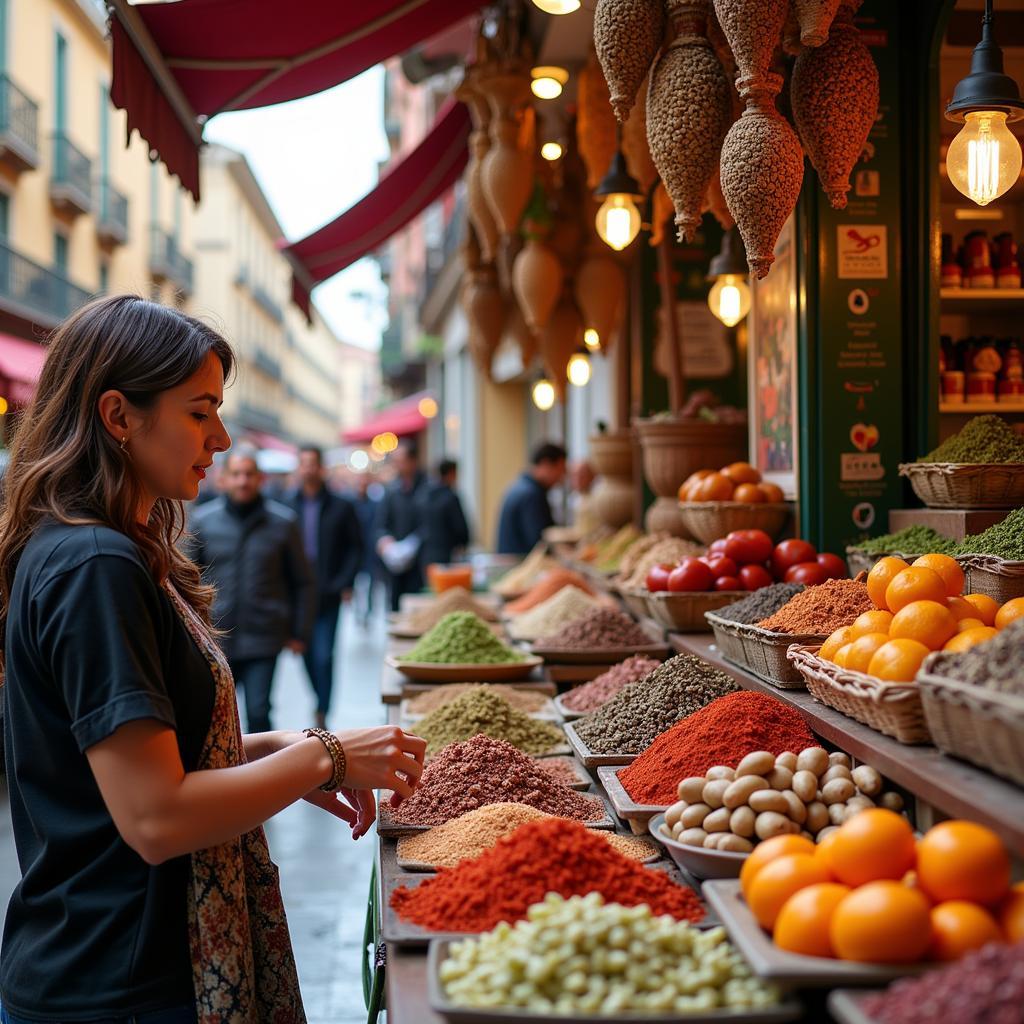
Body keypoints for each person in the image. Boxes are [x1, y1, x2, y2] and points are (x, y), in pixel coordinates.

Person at [0, 295, 424, 1023]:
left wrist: (279, 750)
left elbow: (151, 762)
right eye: (200, 412)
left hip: (111, 962)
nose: (223, 439)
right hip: (116, 982)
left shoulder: (101, 548)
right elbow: (156, 817)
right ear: (118, 416)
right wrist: (324, 755)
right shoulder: (94, 565)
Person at [189, 444, 314, 734]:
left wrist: (299, 631)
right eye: (236, 474)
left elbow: (303, 581)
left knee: (259, 710)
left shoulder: (283, 523)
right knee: (217, 714)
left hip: (265, 635)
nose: (242, 481)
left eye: (249, 474)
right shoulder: (203, 522)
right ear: (223, 478)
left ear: (261, 479)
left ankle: (263, 774)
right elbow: (188, 580)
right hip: (217, 635)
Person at [285, 445, 363, 730]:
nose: (308, 468)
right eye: (303, 463)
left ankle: (322, 708)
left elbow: (355, 547)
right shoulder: (286, 504)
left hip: (327, 590)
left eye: (312, 463)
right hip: (296, 593)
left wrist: (344, 582)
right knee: (305, 652)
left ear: (321, 468)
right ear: (299, 467)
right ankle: (318, 697)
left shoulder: (341, 505)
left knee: (324, 654)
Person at [375, 439, 429, 612]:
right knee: (396, 608)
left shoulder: (429, 489)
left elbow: (433, 526)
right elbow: (380, 524)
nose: (397, 465)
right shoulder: (391, 491)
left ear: (413, 461)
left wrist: (414, 543)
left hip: (422, 566)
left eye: (401, 460)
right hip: (396, 568)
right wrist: (385, 541)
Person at [496, 441, 568, 555]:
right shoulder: (531, 494)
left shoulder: (522, 486)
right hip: (520, 562)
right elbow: (539, 543)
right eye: (560, 470)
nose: (561, 478)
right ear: (546, 464)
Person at [419, 457, 471, 568]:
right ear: (451, 473)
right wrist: (464, 543)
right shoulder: (450, 497)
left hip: (426, 554)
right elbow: (460, 528)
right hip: (447, 554)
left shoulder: (425, 495)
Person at [350, 472, 383, 628]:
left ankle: (368, 612)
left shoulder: (374, 504)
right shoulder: (351, 504)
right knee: (357, 583)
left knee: (371, 583)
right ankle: (358, 612)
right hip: (355, 550)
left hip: (370, 550)